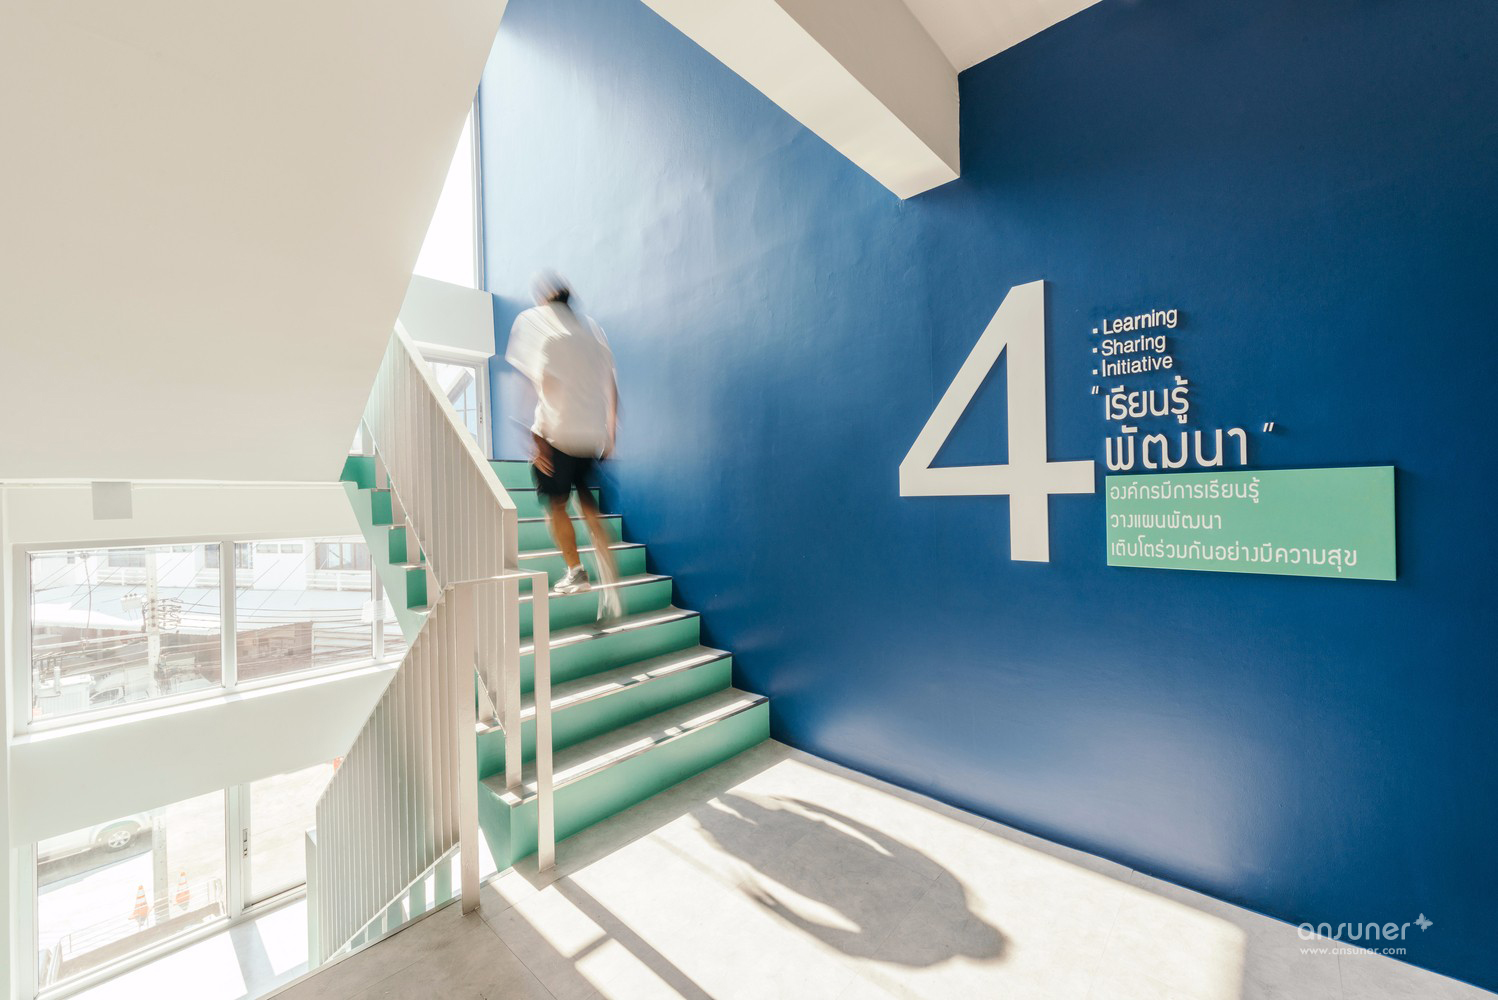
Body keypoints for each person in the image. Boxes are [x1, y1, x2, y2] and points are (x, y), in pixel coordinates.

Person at [505, 272, 623, 621]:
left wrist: (532, 436)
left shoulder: (545, 332)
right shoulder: (592, 336)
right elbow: (612, 386)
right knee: (588, 504)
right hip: (590, 436)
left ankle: (576, 571)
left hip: (557, 435)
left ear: (546, 303)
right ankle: (610, 581)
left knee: (556, 504)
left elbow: (534, 382)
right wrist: (611, 435)